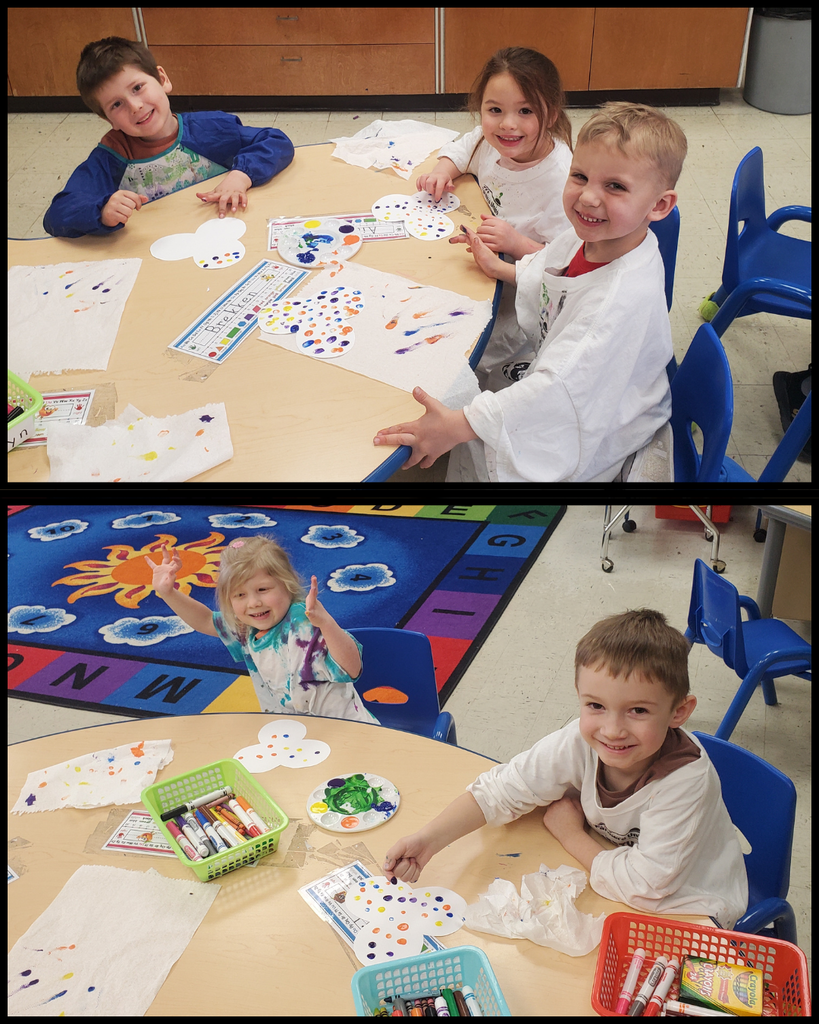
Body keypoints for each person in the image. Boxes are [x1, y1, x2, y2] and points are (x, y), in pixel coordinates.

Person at [374, 102, 687, 483]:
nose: (588, 197)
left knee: (474, 431)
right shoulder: (596, 235)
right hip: (581, 378)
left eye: (615, 186)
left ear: (659, 205)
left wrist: (459, 427)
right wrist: (500, 268)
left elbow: (556, 388)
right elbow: (552, 271)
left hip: (601, 422)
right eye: (580, 176)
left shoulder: (616, 300)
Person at [383, 609, 748, 929]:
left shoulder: (685, 781)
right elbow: (502, 790)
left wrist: (570, 834)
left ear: (678, 712)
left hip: (692, 907)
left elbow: (646, 886)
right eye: (595, 706)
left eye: (638, 711)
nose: (612, 730)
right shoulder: (579, 740)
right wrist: (429, 840)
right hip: (616, 877)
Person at [418, 47, 573, 390]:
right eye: (495, 110)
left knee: (454, 366)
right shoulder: (490, 143)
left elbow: (567, 263)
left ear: (551, 114)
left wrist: (517, 244)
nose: (507, 124)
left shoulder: (561, 180)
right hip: (474, 272)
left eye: (525, 111)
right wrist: (443, 170)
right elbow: (462, 149)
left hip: (516, 307)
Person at [44, 36, 294, 237]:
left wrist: (241, 176)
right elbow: (57, 215)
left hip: (226, 237)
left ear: (162, 79)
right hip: (154, 256)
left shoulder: (211, 128)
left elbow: (276, 141)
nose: (135, 106)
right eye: (116, 105)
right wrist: (101, 212)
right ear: (109, 120)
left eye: (137, 88)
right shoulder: (111, 157)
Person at [145, 535, 377, 723]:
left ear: (287, 585)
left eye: (263, 589)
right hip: (296, 736)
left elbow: (352, 669)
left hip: (349, 733)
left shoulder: (303, 625)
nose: (253, 603)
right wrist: (168, 592)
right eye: (240, 595)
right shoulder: (247, 627)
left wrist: (326, 623)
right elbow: (206, 620)